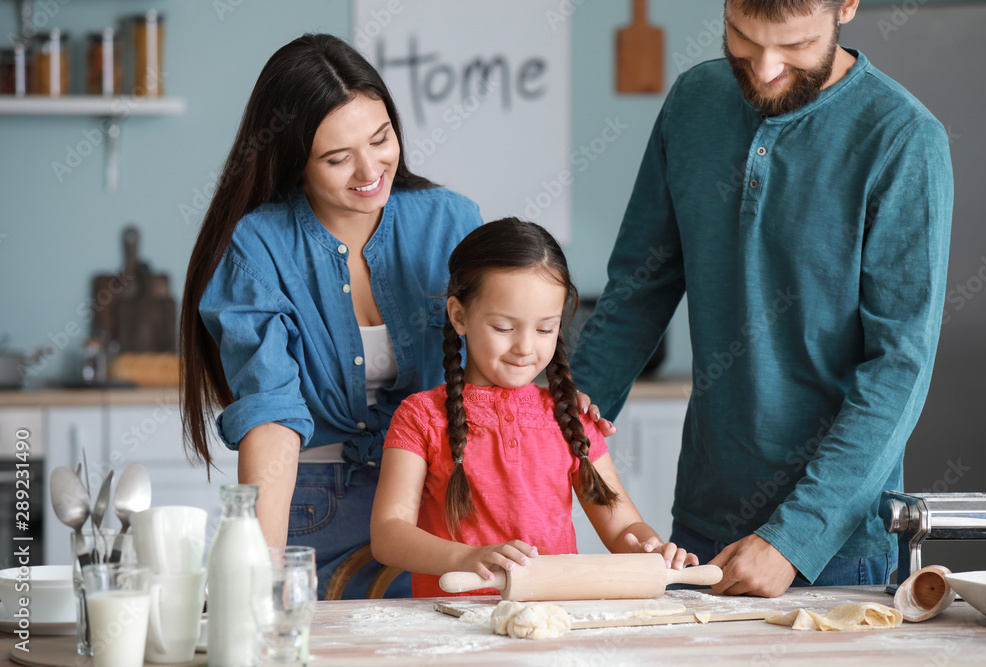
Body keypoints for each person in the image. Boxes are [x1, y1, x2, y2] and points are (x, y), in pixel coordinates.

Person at [571, 0, 953, 598]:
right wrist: (555, 430)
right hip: (697, 529)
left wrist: (792, 539)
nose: (767, 69)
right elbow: (638, 290)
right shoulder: (693, 101)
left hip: (833, 546)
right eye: (744, 38)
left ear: (846, 7)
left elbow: (898, 369)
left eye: (795, 46)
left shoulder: (903, 139)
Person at [179, 34, 484, 599]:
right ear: (294, 163)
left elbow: (492, 380)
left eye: (381, 138)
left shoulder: (452, 221)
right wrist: (261, 578)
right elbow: (272, 417)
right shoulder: (258, 246)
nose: (369, 170)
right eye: (337, 158)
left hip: (439, 503)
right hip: (315, 506)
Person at [369, 218, 698, 597]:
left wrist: (651, 549)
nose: (526, 347)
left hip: (552, 621)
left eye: (545, 329)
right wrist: (467, 557)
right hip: (454, 628)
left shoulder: (569, 417)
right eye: (504, 328)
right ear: (459, 315)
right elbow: (389, 534)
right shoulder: (421, 417)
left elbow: (622, 527)